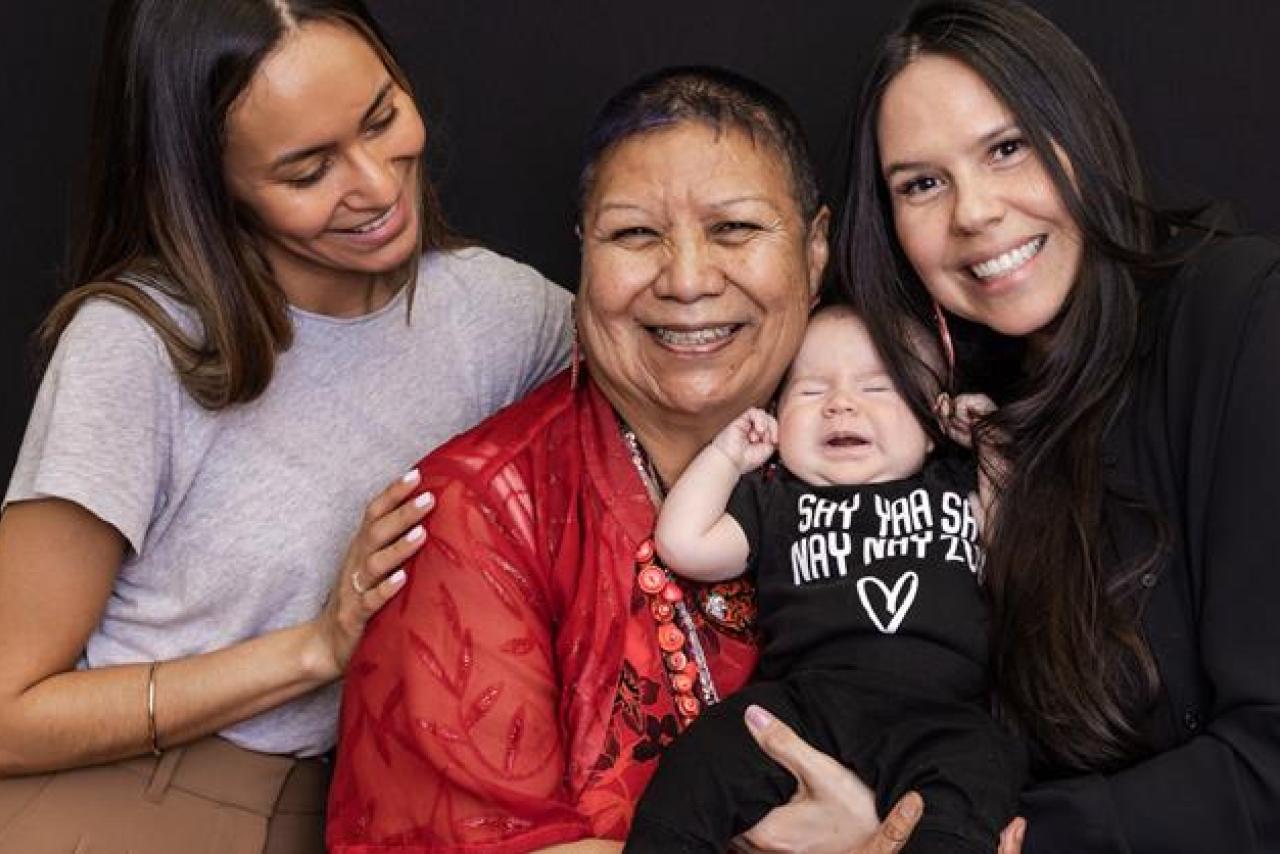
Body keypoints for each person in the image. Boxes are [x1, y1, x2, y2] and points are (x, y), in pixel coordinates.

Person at [0, 1, 570, 851]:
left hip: (372, 807)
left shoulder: (503, 314)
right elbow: (8, 712)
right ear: (210, 183)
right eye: (307, 172)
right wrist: (314, 648)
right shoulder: (139, 345)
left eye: (382, 118)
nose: (377, 185)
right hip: (134, 798)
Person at [328, 67, 928, 854]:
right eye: (635, 234)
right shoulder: (480, 512)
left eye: (735, 230)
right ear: (583, 252)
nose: (685, 280)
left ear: (816, 251)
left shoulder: (910, 456)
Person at [839, 1, 1280, 852]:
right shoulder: (944, 420)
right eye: (921, 184)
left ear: (1082, 133)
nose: (974, 212)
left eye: (1008, 148)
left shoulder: (1237, 318)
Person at [625, 304, 1021, 854]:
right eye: (810, 392)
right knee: (703, 757)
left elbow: (1018, 555)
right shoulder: (777, 499)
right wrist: (728, 453)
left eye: (878, 388)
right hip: (809, 703)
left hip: (941, 712)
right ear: (776, 417)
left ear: (933, 426)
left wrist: (992, 448)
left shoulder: (954, 490)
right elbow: (684, 545)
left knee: (976, 778)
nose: (840, 404)